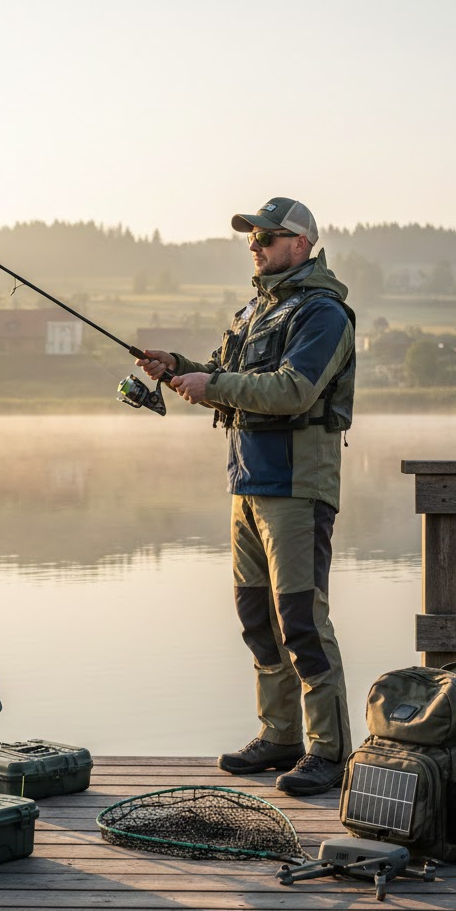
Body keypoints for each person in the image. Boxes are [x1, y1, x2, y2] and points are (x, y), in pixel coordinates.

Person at [137, 197, 356, 796]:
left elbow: (292, 390)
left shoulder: (324, 314)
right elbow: (226, 375)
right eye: (252, 236)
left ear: (301, 244)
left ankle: (331, 751)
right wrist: (177, 366)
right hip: (246, 482)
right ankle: (280, 736)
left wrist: (212, 384)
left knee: (302, 620)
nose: (255, 244)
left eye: (267, 235)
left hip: (297, 486)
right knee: (256, 616)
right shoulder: (253, 312)